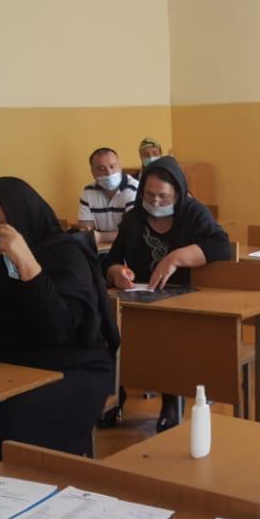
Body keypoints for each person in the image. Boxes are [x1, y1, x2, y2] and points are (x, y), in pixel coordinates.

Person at [0, 177, 119, 464]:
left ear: (21, 218)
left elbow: (59, 329)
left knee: (7, 419)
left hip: (71, 367)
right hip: (5, 365)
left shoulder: (65, 252)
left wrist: (26, 262)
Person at [104, 156, 233, 431]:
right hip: (142, 299)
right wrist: (117, 272)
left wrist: (176, 257)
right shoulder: (134, 219)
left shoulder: (193, 213)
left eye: (163, 196)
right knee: (110, 324)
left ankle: (171, 399)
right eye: (149, 194)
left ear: (178, 193)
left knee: (167, 332)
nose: (155, 201)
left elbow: (221, 247)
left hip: (186, 300)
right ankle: (116, 394)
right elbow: (111, 260)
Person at [77, 147, 138, 245]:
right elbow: (85, 232)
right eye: (101, 169)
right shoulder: (88, 192)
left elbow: (133, 231)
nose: (109, 173)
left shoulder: (134, 189)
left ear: (120, 167)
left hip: (127, 248)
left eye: (112, 166)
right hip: (98, 250)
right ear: (93, 173)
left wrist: (101, 237)